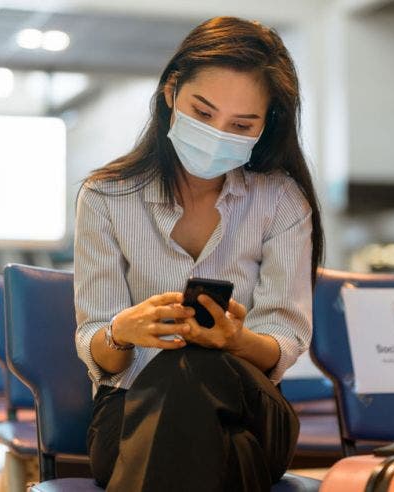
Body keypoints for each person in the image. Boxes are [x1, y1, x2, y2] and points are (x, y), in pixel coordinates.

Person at [73, 16, 324, 492]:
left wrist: (233, 341)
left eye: (241, 124)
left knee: (191, 365)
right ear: (171, 92)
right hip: (130, 415)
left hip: (249, 408)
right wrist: (121, 333)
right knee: (182, 380)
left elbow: (284, 337)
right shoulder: (107, 195)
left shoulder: (282, 201)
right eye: (203, 113)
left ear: (264, 125)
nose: (218, 132)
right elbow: (95, 340)